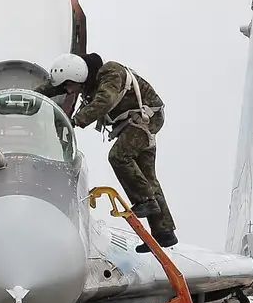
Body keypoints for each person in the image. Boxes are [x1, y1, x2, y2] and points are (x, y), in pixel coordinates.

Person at [33, 52, 176, 253]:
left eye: (68, 85)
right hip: (132, 123)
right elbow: (53, 86)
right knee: (146, 177)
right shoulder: (81, 77)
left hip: (145, 119)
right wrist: (31, 96)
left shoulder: (110, 73)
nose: (67, 90)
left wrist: (75, 120)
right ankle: (164, 233)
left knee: (118, 156)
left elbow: (104, 101)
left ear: (77, 77)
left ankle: (145, 201)